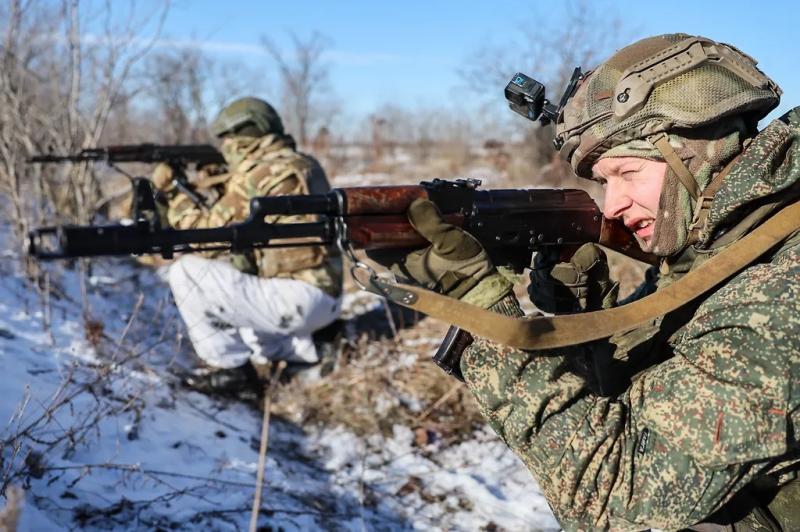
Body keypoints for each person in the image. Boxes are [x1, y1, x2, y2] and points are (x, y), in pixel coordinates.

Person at [373, 34, 800, 530]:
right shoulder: (718, 251)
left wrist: (479, 307)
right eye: (603, 181)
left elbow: (619, 496)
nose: (612, 204)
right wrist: (587, 318)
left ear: (697, 148)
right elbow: (637, 404)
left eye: (628, 172)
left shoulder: (783, 285)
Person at [153, 97, 343, 394]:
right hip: (324, 298)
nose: (226, 145)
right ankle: (314, 347)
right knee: (247, 324)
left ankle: (233, 374)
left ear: (249, 132)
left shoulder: (259, 173)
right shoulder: (301, 163)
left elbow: (203, 237)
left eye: (229, 137)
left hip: (298, 299)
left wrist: (172, 192)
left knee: (186, 272)